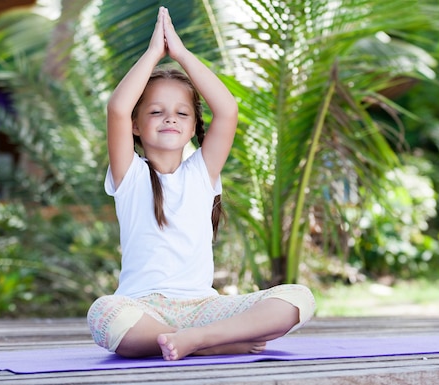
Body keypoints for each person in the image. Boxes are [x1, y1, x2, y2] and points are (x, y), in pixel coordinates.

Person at [87, 6, 315, 361]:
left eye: (181, 113)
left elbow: (227, 110)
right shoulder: (130, 175)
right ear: (136, 126)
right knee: (104, 316)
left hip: (203, 307)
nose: (169, 119)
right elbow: (117, 107)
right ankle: (217, 343)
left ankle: (198, 338)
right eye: (155, 111)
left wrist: (180, 53)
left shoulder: (202, 172)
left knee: (297, 299)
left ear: (194, 127)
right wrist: (152, 54)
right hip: (144, 308)